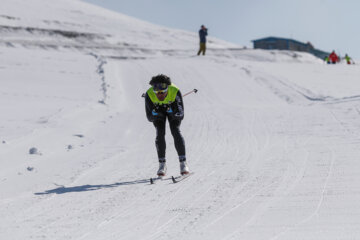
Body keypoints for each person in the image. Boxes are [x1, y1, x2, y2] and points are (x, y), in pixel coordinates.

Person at [145, 74, 189, 176]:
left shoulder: (174, 91)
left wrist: (173, 112)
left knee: (175, 130)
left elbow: (181, 115)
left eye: (163, 92)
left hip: (172, 109)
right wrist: (155, 113)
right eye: (157, 93)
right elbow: (149, 117)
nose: (160, 95)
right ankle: (162, 165)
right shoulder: (149, 94)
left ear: (168, 89)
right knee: (160, 133)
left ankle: (183, 163)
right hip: (159, 112)